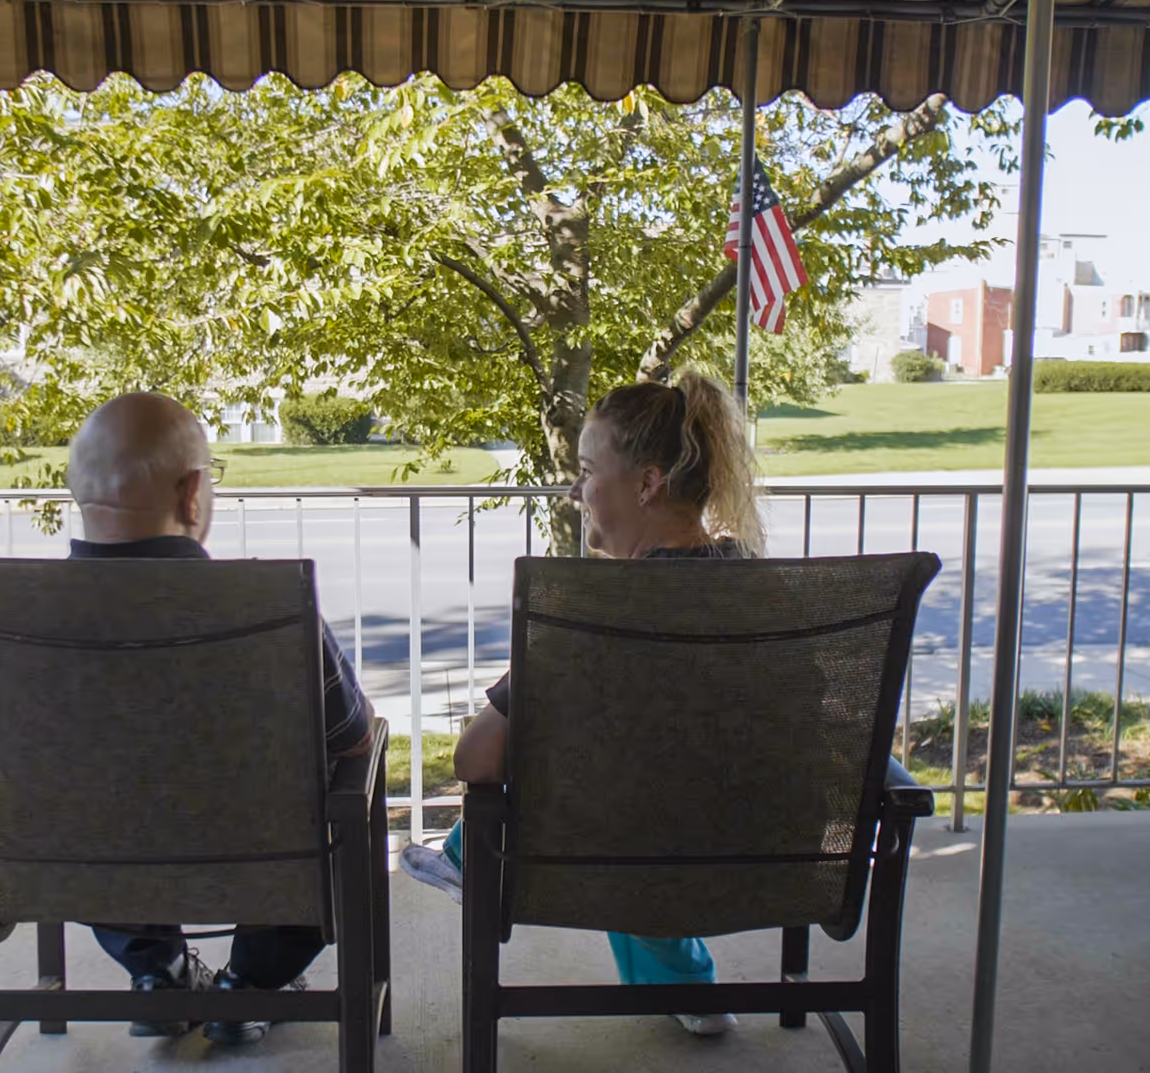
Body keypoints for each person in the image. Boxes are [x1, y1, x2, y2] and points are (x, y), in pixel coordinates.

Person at [400, 370, 765, 1037]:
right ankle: (687, 986)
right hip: (763, 855)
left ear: (648, 483)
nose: (576, 489)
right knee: (640, 783)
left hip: (621, 855)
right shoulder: (770, 591)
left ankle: (461, 855)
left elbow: (476, 760)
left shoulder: (590, 615)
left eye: (588, 469)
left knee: (609, 796)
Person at [68, 392, 376, 1046]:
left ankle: (158, 969)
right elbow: (351, 740)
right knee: (346, 797)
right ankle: (252, 984)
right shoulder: (269, 611)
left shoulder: (2, 617)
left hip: (89, 872)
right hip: (267, 869)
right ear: (191, 494)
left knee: (105, 810)